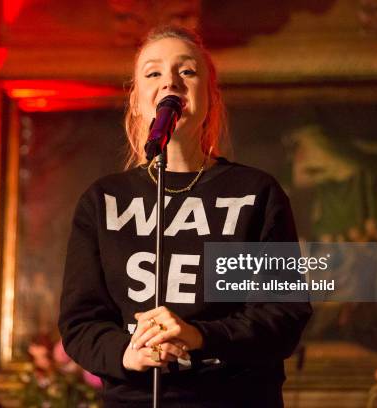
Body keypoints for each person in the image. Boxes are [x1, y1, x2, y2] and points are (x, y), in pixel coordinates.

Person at [58, 25, 312, 407]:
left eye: (187, 71)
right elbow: (81, 322)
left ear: (210, 94)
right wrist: (128, 353)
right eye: (153, 72)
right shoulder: (103, 200)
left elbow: (284, 314)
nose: (170, 82)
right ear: (136, 98)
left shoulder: (255, 193)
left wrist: (199, 335)